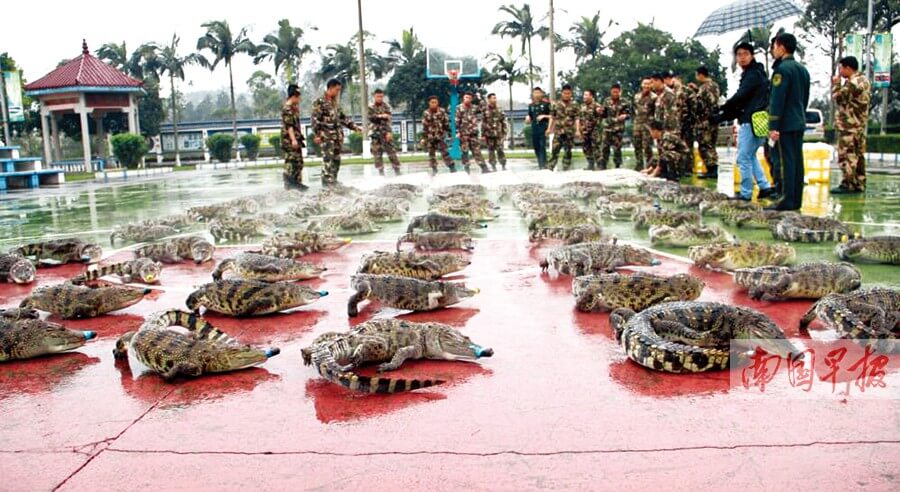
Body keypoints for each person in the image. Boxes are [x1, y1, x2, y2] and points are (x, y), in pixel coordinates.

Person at [713, 42, 776, 202]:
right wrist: (724, 114)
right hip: (758, 120)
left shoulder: (753, 75)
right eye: (739, 54)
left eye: (745, 54)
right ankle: (764, 186)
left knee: (743, 158)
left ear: (752, 55)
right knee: (750, 155)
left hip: (750, 120)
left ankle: (746, 193)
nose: (742, 58)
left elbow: (741, 96)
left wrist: (724, 107)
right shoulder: (757, 73)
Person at [767, 33, 811, 211]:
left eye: (774, 47)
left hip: (784, 124)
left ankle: (785, 199)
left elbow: (777, 100)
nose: (773, 50)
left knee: (785, 162)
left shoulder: (782, 70)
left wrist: (773, 126)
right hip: (798, 121)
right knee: (797, 162)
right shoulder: (802, 70)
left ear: (782, 47)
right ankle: (795, 199)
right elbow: (804, 98)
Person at [831, 55, 871, 194]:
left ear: (848, 68)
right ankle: (859, 183)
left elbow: (839, 98)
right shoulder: (864, 80)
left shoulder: (852, 83)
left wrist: (836, 85)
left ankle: (847, 184)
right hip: (859, 125)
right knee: (859, 155)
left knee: (847, 155)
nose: (840, 71)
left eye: (841, 68)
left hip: (849, 125)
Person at [311, 79, 361, 186]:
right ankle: (326, 185)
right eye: (337, 90)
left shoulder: (335, 103)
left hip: (337, 137)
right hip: (326, 137)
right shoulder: (320, 102)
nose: (338, 92)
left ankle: (333, 181)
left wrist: (355, 127)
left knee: (336, 161)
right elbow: (315, 120)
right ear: (331, 88)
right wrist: (317, 134)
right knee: (328, 160)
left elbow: (343, 118)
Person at [691, 66, 721, 178]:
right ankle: (713, 168)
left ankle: (711, 168)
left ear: (700, 75)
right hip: (714, 119)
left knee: (704, 145)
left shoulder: (704, 88)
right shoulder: (715, 85)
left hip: (704, 121)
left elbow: (699, 104)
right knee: (711, 145)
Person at [368, 89, 401, 176]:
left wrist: (389, 132)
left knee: (391, 152)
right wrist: (381, 116)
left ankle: (397, 171)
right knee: (377, 154)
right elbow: (371, 118)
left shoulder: (386, 106)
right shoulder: (370, 107)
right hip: (375, 133)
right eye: (378, 96)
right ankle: (381, 173)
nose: (379, 98)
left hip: (385, 132)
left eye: (381, 96)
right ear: (374, 96)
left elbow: (389, 119)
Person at [280, 83, 307, 191]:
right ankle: (289, 185)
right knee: (291, 162)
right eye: (298, 97)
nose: (300, 99)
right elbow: (289, 126)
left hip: (295, 140)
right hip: (290, 141)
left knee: (298, 163)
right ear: (294, 96)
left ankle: (297, 184)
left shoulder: (293, 108)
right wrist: (293, 140)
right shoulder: (287, 109)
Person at [547, 84, 579, 171]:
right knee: (555, 150)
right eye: (565, 93)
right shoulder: (556, 105)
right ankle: (550, 167)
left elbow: (577, 118)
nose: (566, 95)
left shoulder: (574, 105)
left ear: (571, 94)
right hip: (558, 131)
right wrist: (549, 128)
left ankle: (566, 167)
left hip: (569, 131)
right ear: (562, 93)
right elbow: (552, 117)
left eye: (568, 93)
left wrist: (577, 130)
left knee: (568, 151)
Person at [456, 92, 490, 173]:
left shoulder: (474, 107)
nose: (467, 99)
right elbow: (457, 120)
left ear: (471, 99)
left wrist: (480, 99)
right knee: (464, 152)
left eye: (469, 98)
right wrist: (457, 132)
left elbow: (484, 109)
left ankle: (484, 168)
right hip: (464, 134)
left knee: (477, 151)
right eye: (466, 97)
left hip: (473, 133)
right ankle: (466, 169)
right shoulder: (459, 107)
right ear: (463, 98)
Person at [421, 95, 455, 174]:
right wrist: (424, 138)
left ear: (438, 103)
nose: (434, 104)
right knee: (431, 155)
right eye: (432, 102)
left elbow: (446, 123)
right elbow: (425, 127)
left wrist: (450, 134)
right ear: (429, 103)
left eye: (435, 102)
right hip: (430, 137)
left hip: (440, 136)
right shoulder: (426, 113)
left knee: (445, 152)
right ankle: (434, 169)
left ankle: (452, 167)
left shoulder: (442, 111)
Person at [600, 83, 630, 169]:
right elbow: (604, 115)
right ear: (611, 92)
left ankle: (617, 165)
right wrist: (600, 112)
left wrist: (625, 116)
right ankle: (603, 165)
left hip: (618, 129)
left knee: (617, 148)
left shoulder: (625, 102)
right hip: (607, 128)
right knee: (605, 147)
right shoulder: (606, 101)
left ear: (620, 92)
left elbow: (629, 114)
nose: (615, 94)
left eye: (617, 92)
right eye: (614, 92)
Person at [632, 77, 656, 170]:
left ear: (651, 85)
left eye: (648, 84)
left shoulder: (654, 97)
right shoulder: (637, 96)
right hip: (637, 124)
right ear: (642, 85)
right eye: (644, 84)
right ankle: (639, 165)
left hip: (648, 126)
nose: (646, 86)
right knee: (637, 145)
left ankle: (649, 166)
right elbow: (633, 110)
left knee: (647, 147)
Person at [578, 89, 604, 170]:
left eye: (586, 95)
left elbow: (601, 115)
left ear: (591, 96)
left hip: (594, 131)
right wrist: (580, 130)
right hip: (584, 131)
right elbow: (579, 119)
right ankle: (590, 164)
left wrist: (599, 111)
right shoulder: (582, 106)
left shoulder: (597, 106)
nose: (584, 97)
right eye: (584, 95)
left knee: (596, 148)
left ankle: (600, 165)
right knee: (586, 148)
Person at [525, 87, 551, 168]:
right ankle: (540, 164)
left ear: (542, 94)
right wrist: (527, 118)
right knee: (536, 147)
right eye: (535, 93)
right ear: (532, 94)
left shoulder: (546, 104)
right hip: (534, 129)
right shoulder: (531, 106)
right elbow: (530, 117)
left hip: (543, 129)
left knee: (542, 146)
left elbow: (552, 116)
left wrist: (544, 116)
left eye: (538, 93)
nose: (537, 95)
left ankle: (544, 164)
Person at [481, 93, 508, 171]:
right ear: (489, 99)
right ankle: (493, 166)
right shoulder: (485, 109)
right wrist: (483, 134)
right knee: (491, 151)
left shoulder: (499, 109)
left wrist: (505, 133)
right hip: (489, 134)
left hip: (498, 134)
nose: (495, 99)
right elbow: (483, 122)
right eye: (493, 98)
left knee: (500, 150)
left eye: (495, 98)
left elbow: (503, 121)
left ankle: (503, 165)